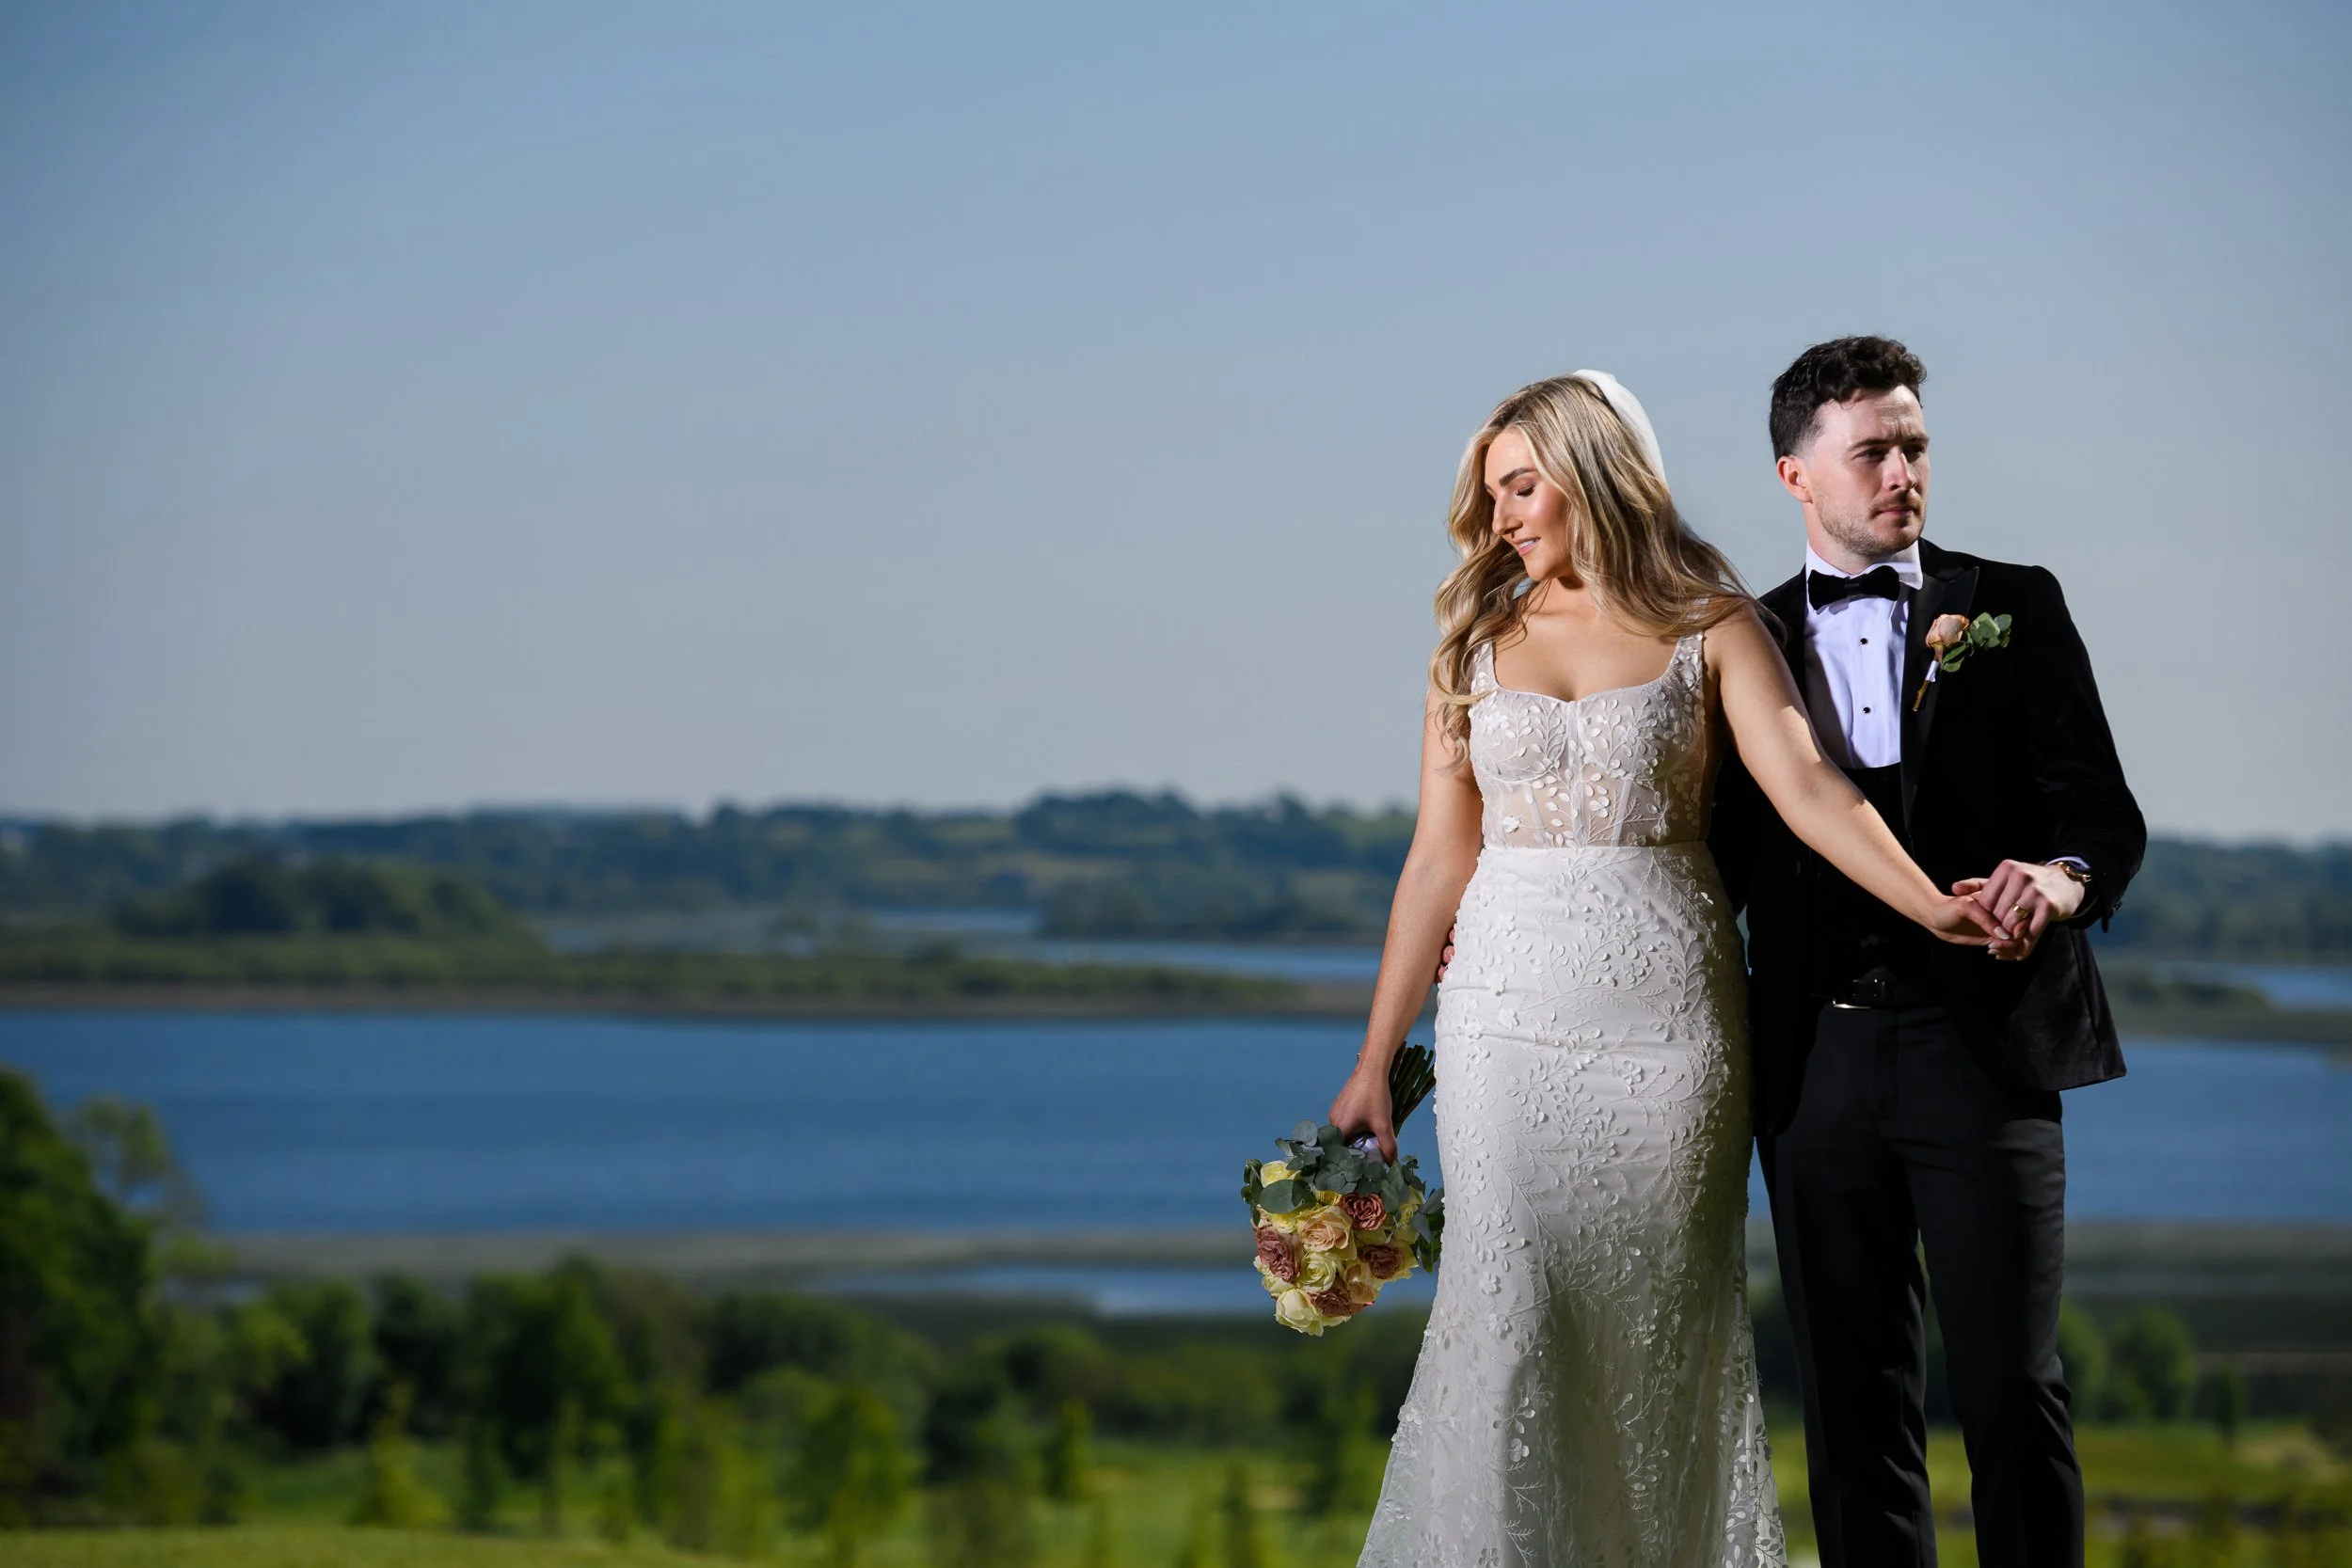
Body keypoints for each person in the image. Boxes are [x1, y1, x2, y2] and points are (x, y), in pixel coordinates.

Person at [1331, 370, 2007, 1568]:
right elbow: (1436, 857)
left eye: (1522, 485)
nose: (1505, 518)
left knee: (1657, 1346)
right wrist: (1374, 1061)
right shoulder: (1473, 643)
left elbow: (1806, 787)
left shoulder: (1711, 620)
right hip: (1503, 1024)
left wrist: (1931, 906)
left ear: (1593, 470)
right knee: (1513, 1320)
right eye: (1492, 496)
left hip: (1671, 1034)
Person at [1708, 336, 2144, 1568]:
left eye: (1916, 445)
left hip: (1989, 1052)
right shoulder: (1741, 638)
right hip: (1812, 1066)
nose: (1903, 470)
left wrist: (2058, 883)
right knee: (1855, 1411)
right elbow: (1714, 859)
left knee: (2011, 1384)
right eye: (1873, 449)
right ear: (1796, 472)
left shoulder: (2016, 604)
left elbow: (2101, 816)